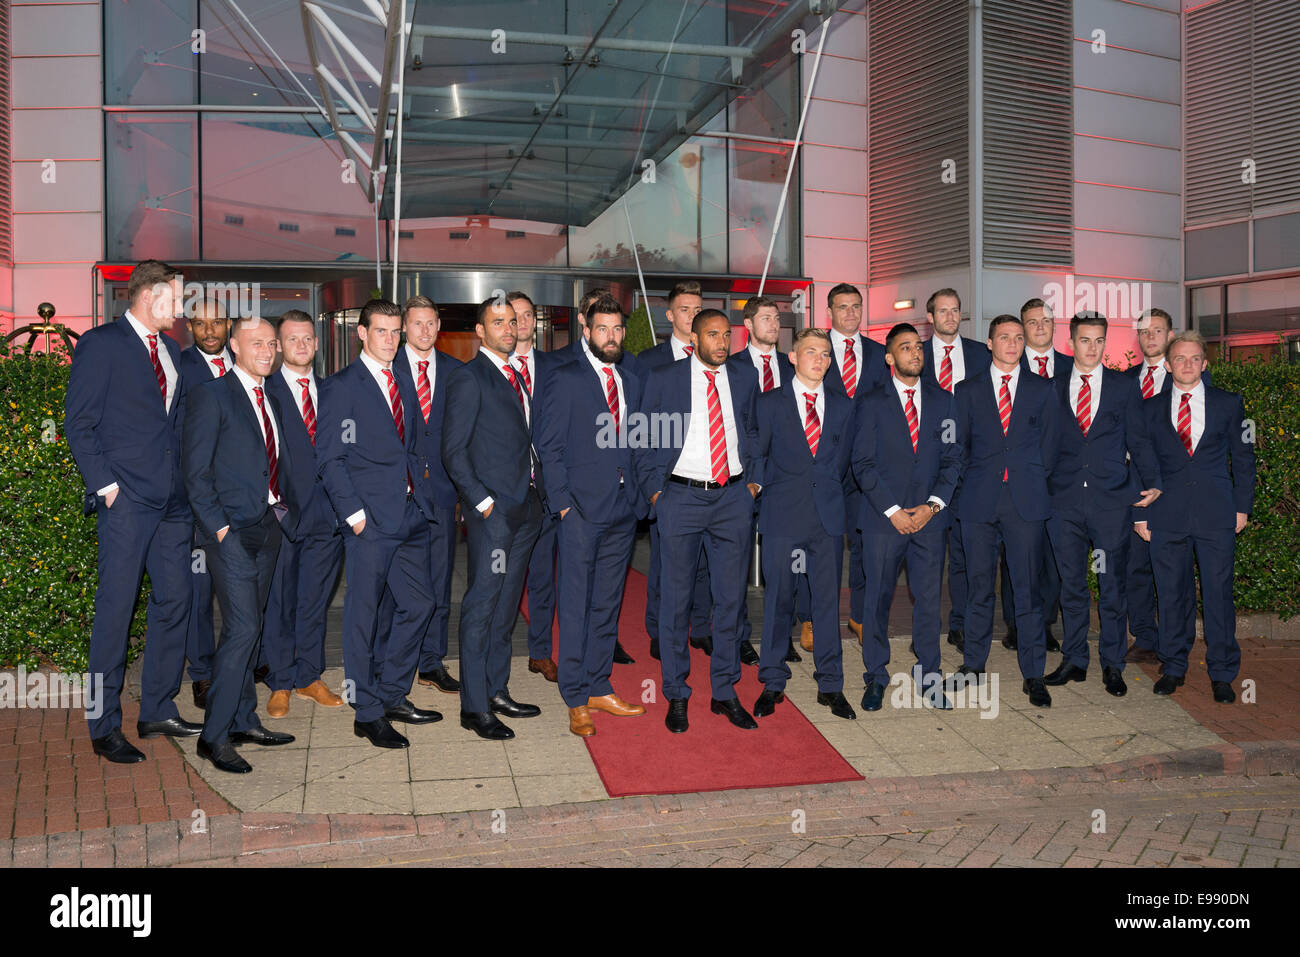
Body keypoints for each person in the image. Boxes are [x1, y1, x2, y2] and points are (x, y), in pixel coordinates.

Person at [65, 260, 198, 763]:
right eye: (176, 299)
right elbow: (79, 424)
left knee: (176, 602)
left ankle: (158, 707)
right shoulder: (101, 344)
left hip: (171, 504)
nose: (181, 309)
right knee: (115, 614)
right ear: (149, 297)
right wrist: (107, 487)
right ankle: (103, 726)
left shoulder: (170, 350)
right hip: (126, 503)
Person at [316, 299, 443, 751]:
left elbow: (410, 446)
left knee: (420, 604)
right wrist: (354, 516)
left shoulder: (402, 379)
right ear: (362, 334)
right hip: (369, 521)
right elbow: (330, 458)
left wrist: (420, 493)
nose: (390, 340)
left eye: (395, 332)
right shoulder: (340, 388)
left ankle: (392, 693)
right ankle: (366, 713)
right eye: (382, 331)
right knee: (362, 618)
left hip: (409, 514)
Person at [182, 317, 300, 772]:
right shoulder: (211, 395)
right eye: (257, 343)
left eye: (272, 343)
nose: (268, 351)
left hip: (267, 526)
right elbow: (196, 473)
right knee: (242, 630)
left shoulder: (268, 395)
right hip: (228, 532)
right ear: (234, 346)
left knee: (253, 627)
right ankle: (213, 737)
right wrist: (220, 530)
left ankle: (243, 720)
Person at [635, 309, 761, 734]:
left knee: (731, 601)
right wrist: (657, 494)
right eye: (713, 335)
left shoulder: (743, 377)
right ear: (694, 337)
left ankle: (724, 692)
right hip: (681, 498)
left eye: (727, 335)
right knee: (676, 601)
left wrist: (754, 484)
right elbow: (644, 437)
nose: (722, 343)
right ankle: (676, 692)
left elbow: (755, 431)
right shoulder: (666, 379)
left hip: (732, 499)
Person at [535, 295, 648, 737]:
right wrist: (562, 503)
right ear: (587, 331)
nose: (612, 337)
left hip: (623, 509)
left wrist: (642, 495)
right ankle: (575, 697)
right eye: (603, 329)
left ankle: (599, 684)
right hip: (580, 510)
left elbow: (639, 441)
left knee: (607, 603)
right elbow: (550, 447)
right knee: (577, 605)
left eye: (617, 329)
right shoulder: (565, 379)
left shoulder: (632, 379)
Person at [442, 298, 547, 740]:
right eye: (498, 322)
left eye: (513, 321)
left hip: (526, 509)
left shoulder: (517, 374)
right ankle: (474, 706)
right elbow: (453, 450)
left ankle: (497, 689)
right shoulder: (470, 378)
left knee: (506, 606)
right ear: (480, 332)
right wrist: (481, 502)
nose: (509, 328)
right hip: (494, 514)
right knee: (482, 605)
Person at [1132, 331, 1254, 702]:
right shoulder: (1149, 409)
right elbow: (1141, 461)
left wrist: (1242, 507)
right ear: (1168, 365)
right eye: (1180, 359)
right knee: (1170, 595)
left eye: (1195, 358)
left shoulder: (1229, 404)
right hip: (1165, 514)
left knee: (1218, 595)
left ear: (1205, 363)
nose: (1187, 364)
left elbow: (1244, 459)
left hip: (1217, 514)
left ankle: (1222, 673)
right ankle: (1173, 666)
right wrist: (1140, 515)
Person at [1044, 313, 1160, 698]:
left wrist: (1152, 484)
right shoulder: (1052, 388)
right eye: (1084, 340)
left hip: (1110, 506)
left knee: (1111, 586)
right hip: (1064, 506)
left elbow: (1140, 441)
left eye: (1098, 341)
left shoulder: (1124, 387)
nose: (1091, 347)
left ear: (1105, 343)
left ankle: (1113, 664)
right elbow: (1042, 445)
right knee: (1073, 586)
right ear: (1071, 342)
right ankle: (1075, 660)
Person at [950, 314, 1059, 707]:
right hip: (978, 503)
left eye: (1018, 337)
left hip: (1025, 504)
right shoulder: (967, 391)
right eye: (1004, 337)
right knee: (979, 589)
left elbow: (1050, 448)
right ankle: (973, 665)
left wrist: (1027, 482)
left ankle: (1034, 674)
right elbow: (956, 450)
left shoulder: (1043, 390)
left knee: (1028, 592)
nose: (1012, 344)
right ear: (990, 344)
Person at [854, 323, 961, 712]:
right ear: (889, 357)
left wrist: (933, 506)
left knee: (930, 600)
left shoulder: (945, 401)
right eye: (905, 347)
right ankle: (876, 676)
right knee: (877, 600)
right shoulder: (870, 402)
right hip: (884, 520)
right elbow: (862, 463)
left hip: (929, 521)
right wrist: (894, 510)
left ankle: (929, 675)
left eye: (918, 347)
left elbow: (953, 459)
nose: (915, 353)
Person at [752, 329, 855, 720]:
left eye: (826, 354)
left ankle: (831, 685)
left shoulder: (844, 408)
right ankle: (773, 682)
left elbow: (843, 465)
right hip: (782, 516)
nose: (819, 359)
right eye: (810, 352)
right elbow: (757, 457)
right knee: (778, 601)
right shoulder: (768, 404)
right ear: (792, 357)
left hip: (826, 519)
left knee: (827, 606)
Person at [260, 311, 345, 717]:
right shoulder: (265, 392)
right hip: (282, 520)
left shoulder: (332, 393)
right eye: (291, 339)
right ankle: (279, 681)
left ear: (316, 343)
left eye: (307, 338)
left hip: (327, 520)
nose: (301, 345)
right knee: (280, 602)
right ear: (278, 346)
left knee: (314, 601)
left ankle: (309, 676)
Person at [1123, 306, 1213, 663]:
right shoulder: (1125, 379)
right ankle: (1145, 637)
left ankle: (1177, 643)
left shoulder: (1192, 377)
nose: (1150, 337)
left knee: (1176, 571)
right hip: (1136, 485)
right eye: (1144, 332)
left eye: (1157, 331)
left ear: (1170, 336)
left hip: (1178, 490)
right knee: (1137, 564)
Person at [386, 295, 463, 695]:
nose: (425, 331)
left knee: (438, 583)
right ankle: (390, 661)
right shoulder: (387, 368)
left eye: (432, 323)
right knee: (395, 587)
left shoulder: (455, 372)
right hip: (396, 496)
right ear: (403, 327)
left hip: (443, 493)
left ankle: (432, 661)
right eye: (417, 324)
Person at [508, 290, 582, 680]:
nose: (520, 323)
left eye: (526, 315)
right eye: (512, 316)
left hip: (549, 491)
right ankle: (493, 657)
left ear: (535, 322)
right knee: (502, 582)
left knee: (543, 578)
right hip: (506, 496)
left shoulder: (557, 367)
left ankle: (540, 651)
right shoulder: (491, 368)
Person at [639, 280, 714, 659]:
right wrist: (652, 487)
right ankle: (659, 629)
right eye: (686, 309)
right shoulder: (649, 362)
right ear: (670, 315)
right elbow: (640, 427)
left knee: (704, 561)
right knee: (664, 565)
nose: (693, 315)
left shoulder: (720, 360)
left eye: (699, 308)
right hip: (669, 483)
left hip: (711, 479)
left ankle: (701, 627)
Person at [919, 288, 989, 657]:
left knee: (964, 554)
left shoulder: (980, 354)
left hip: (972, 467)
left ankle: (960, 625)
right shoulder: (917, 354)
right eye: (943, 311)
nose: (950, 316)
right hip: (927, 467)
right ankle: (925, 626)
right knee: (927, 556)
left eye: (955, 310)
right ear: (930, 317)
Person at [725, 295, 795, 666]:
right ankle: (739, 636)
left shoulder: (792, 365)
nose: (774, 323)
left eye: (777, 317)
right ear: (748, 325)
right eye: (765, 318)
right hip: (742, 477)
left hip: (786, 479)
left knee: (782, 564)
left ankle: (781, 636)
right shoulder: (731, 368)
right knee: (735, 562)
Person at [822, 282, 888, 644]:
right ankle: (815, 618)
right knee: (822, 543)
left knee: (864, 543)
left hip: (866, 465)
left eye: (856, 306)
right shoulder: (815, 351)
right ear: (829, 311)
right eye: (843, 307)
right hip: (825, 464)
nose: (850, 313)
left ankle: (860, 616)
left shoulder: (880, 355)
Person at [178, 298, 232, 709]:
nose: (209, 330)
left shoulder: (248, 361)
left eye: (216, 322)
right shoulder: (179, 369)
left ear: (229, 323)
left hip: (246, 501)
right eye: (200, 323)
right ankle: (203, 672)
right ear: (190, 327)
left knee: (243, 589)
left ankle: (247, 664)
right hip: (197, 501)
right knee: (199, 593)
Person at [1006, 296, 1066, 654]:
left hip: (1063, 480)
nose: (1039, 327)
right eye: (1031, 322)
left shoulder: (1073, 367)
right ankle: (1016, 624)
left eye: (1045, 320)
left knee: (1052, 556)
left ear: (1054, 325)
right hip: (1017, 482)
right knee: (1016, 556)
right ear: (1023, 329)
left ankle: (1044, 623)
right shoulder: (1009, 366)